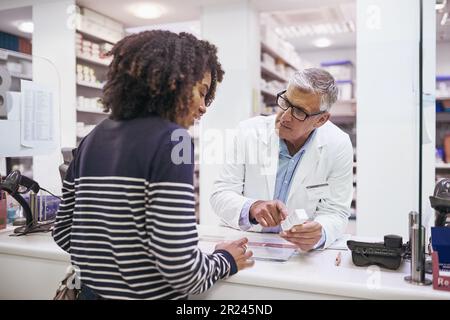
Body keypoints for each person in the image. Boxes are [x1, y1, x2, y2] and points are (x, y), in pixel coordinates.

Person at [52, 30, 254, 300]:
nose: (204, 107)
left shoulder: (92, 138)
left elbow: (64, 232)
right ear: (174, 81)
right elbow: (182, 271)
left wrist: (112, 264)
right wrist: (224, 259)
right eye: (202, 91)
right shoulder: (174, 140)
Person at [210, 68, 353, 251]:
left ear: (321, 120)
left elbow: (336, 211)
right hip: (244, 242)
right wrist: (252, 207)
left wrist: (321, 232)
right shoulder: (248, 132)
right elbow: (220, 194)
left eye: (299, 112)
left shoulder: (338, 144)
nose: (284, 116)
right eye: (286, 102)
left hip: (297, 251)